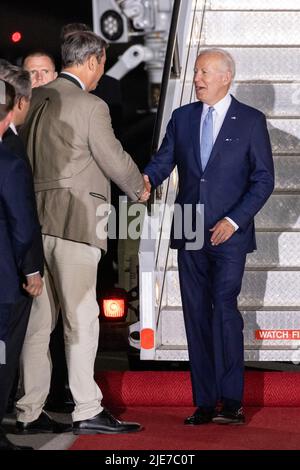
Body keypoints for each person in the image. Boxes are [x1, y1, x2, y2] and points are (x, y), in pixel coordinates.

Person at [16, 30, 149, 435]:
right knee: (82, 318)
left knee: (40, 326)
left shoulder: (32, 99)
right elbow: (114, 158)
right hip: (76, 222)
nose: (101, 73)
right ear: (91, 61)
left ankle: (28, 411)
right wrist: (139, 187)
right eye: (102, 64)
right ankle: (87, 408)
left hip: (32, 225)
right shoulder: (91, 105)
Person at [143, 48, 274, 425]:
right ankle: (204, 401)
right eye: (197, 71)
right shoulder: (182, 117)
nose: (197, 78)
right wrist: (146, 181)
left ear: (225, 77)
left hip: (229, 235)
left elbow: (264, 179)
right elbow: (164, 160)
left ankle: (232, 399)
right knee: (196, 315)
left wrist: (234, 220)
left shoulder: (250, 121)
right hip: (188, 227)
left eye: (203, 72)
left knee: (224, 311)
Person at [0, 79, 40, 450]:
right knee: (1, 355)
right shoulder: (9, 163)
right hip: (5, 283)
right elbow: (21, 223)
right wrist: (31, 271)